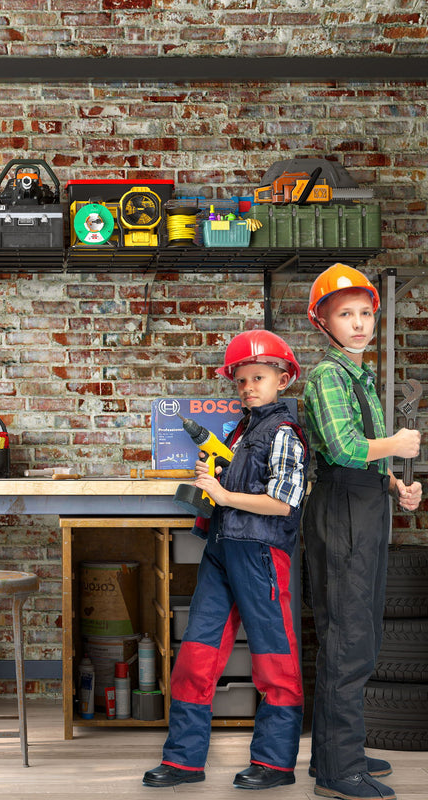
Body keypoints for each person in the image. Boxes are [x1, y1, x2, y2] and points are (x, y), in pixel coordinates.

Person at [143, 329, 309, 790]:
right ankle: (183, 761)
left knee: (274, 659)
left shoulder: (284, 434)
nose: (248, 387)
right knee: (196, 655)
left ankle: (274, 764)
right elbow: (234, 488)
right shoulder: (240, 431)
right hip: (221, 550)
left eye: (259, 377)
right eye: (241, 380)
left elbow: (283, 504)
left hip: (261, 555)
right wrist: (215, 476)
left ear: (283, 380)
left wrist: (224, 493)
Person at [302, 263, 422, 800]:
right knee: (347, 641)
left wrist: (397, 486)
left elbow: (366, 457)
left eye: (365, 313)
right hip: (342, 512)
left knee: (363, 637)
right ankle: (338, 770)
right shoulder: (328, 376)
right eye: (345, 314)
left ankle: (336, 749)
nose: (358, 323)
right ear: (322, 322)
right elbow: (344, 448)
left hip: (367, 505)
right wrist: (396, 445)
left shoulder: (359, 376)